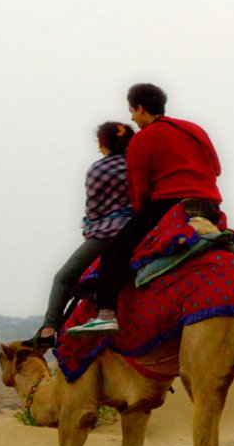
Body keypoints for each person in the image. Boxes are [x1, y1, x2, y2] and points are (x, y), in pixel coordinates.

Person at [67, 83, 222, 335]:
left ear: (140, 108)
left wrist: (140, 214)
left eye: (131, 111)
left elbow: (139, 191)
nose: (131, 118)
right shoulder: (195, 130)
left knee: (114, 253)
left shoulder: (143, 138)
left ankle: (106, 314)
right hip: (208, 206)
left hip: (167, 205)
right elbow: (216, 169)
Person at [23, 121, 135, 349]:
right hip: (138, 228)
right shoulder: (137, 164)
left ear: (103, 143)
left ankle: (48, 330)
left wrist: (89, 225)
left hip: (107, 232)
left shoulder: (98, 169)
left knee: (63, 277)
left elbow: (93, 210)